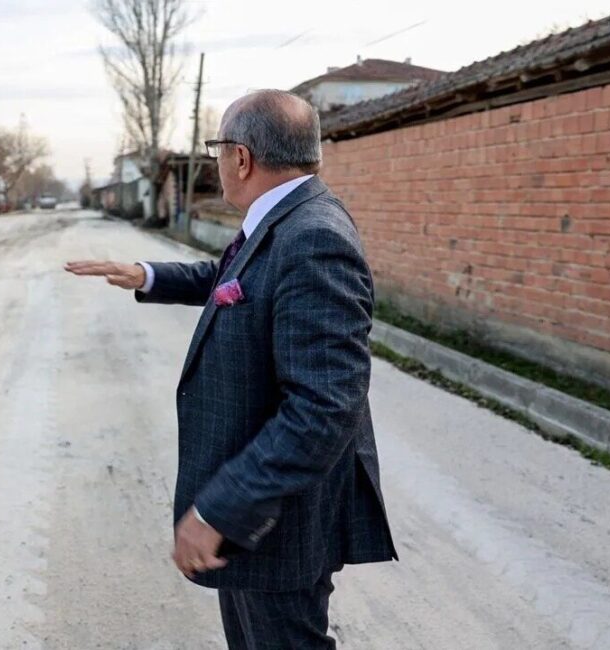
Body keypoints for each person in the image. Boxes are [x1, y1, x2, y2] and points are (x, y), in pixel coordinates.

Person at [65, 90, 396, 649]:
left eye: (217, 148)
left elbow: (324, 407)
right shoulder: (286, 217)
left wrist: (224, 505)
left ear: (241, 157)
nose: (215, 160)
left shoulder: (312, 236)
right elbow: (233, 276)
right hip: (261, 519)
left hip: (279, 520)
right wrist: (146, 273)